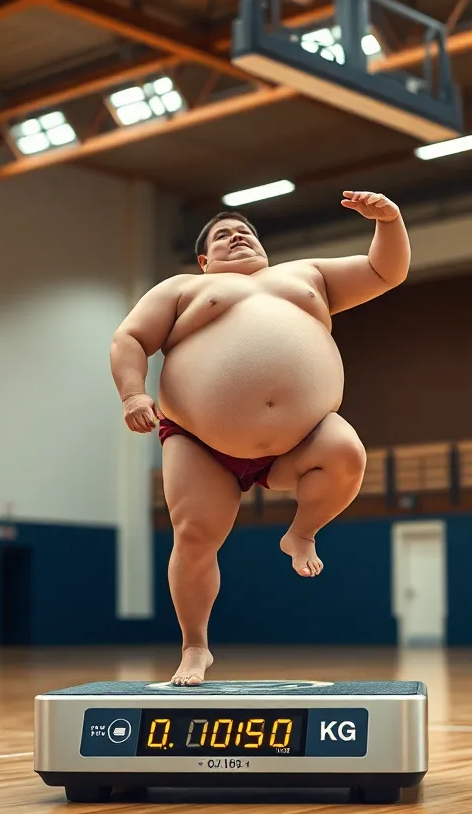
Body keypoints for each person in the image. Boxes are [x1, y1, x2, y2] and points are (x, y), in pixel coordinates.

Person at [110, 191, 410, 685]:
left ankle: (302, 533)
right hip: (200, 439)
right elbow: (131, 339)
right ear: (204, 261)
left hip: (303, 437)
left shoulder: (305, 275)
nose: (238, 235)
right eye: (223, 235)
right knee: (194, 537)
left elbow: (385, 272)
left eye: (245, 230)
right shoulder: (181, 288)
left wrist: (390, 222)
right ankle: (195, 647)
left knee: (346, 453)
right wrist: (132, 395)